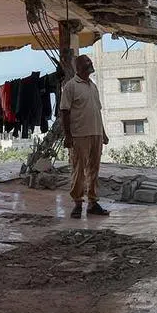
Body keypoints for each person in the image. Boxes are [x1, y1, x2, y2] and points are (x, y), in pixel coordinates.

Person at [59, 54, 110, 219]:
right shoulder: (70, 86)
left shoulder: (93, 86)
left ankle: (93, 203)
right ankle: (78, 204)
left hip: (96, 133)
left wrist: (103, 132)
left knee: (94, 169)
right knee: (79, 170)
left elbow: (97, 111)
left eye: (90, 62)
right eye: (87, 63)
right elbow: (64, 112)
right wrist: (68, 136)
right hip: (79, 135)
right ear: (78, 68)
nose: (90, 64)